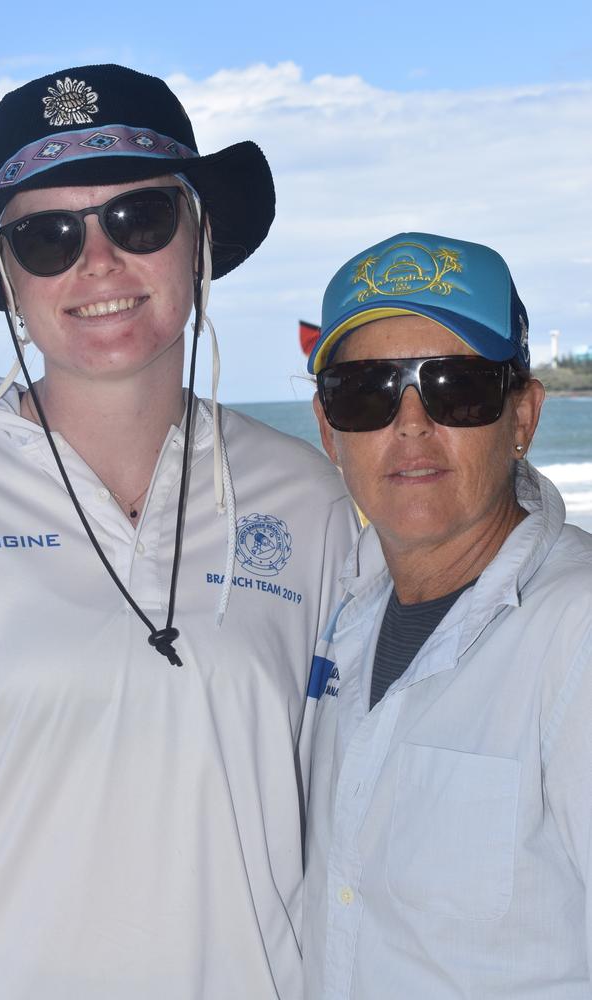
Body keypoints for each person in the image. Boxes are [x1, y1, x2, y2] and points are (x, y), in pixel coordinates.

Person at [0, 64, 359, 999]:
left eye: (139, 219)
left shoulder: (310, 497)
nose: (97, 262)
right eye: (47, 237)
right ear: (7, 279)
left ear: (199, 237)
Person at [302, 232, 592, 999]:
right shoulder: (341, 616)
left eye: (455, 387)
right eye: (366, 392)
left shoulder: (576, 633)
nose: (410, 426)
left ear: (522, 417)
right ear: (330, 430)